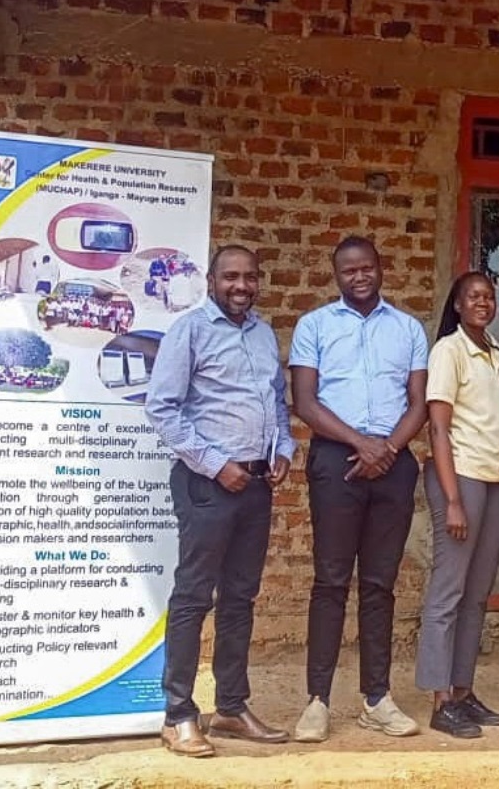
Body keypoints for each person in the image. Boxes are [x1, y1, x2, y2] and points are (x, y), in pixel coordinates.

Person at [145, 244, 295, 758]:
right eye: (231, 277)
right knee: (192, 597)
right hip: (207, 485)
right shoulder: (190, 330)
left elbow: (275, 399)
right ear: (211, 281)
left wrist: (284, 450)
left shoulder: (261, 332)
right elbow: (162, 409)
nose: (241, 286)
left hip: (256, 486)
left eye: (250, 277)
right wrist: (216, 465)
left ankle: (231, 707)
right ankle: (179, 715)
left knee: (240, 598)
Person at [289, 235, 428, 742]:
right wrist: (360, 444)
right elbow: (305, 402)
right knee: (330, 581)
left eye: (367, 267)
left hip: (393, 463)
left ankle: (376, 698)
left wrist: (386, 449)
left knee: (379, 584)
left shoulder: (409, 329)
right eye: (349, 271)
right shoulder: (315, 326)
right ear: (336, 275)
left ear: (381, 269)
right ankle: (318, 701)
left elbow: (417, 402)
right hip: (334, 458)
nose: (359, 276)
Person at [414, 271, 499, 739]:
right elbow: (437, 429)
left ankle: (462, 688)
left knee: (477, 594)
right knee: (449, 591)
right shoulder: (449, 351)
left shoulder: (493, 351)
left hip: (496, 479)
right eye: (473, 296)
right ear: (456, 304)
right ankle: (439, 700)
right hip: (462, 479)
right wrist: (453, 500)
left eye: (489, 296)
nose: (483, 302)